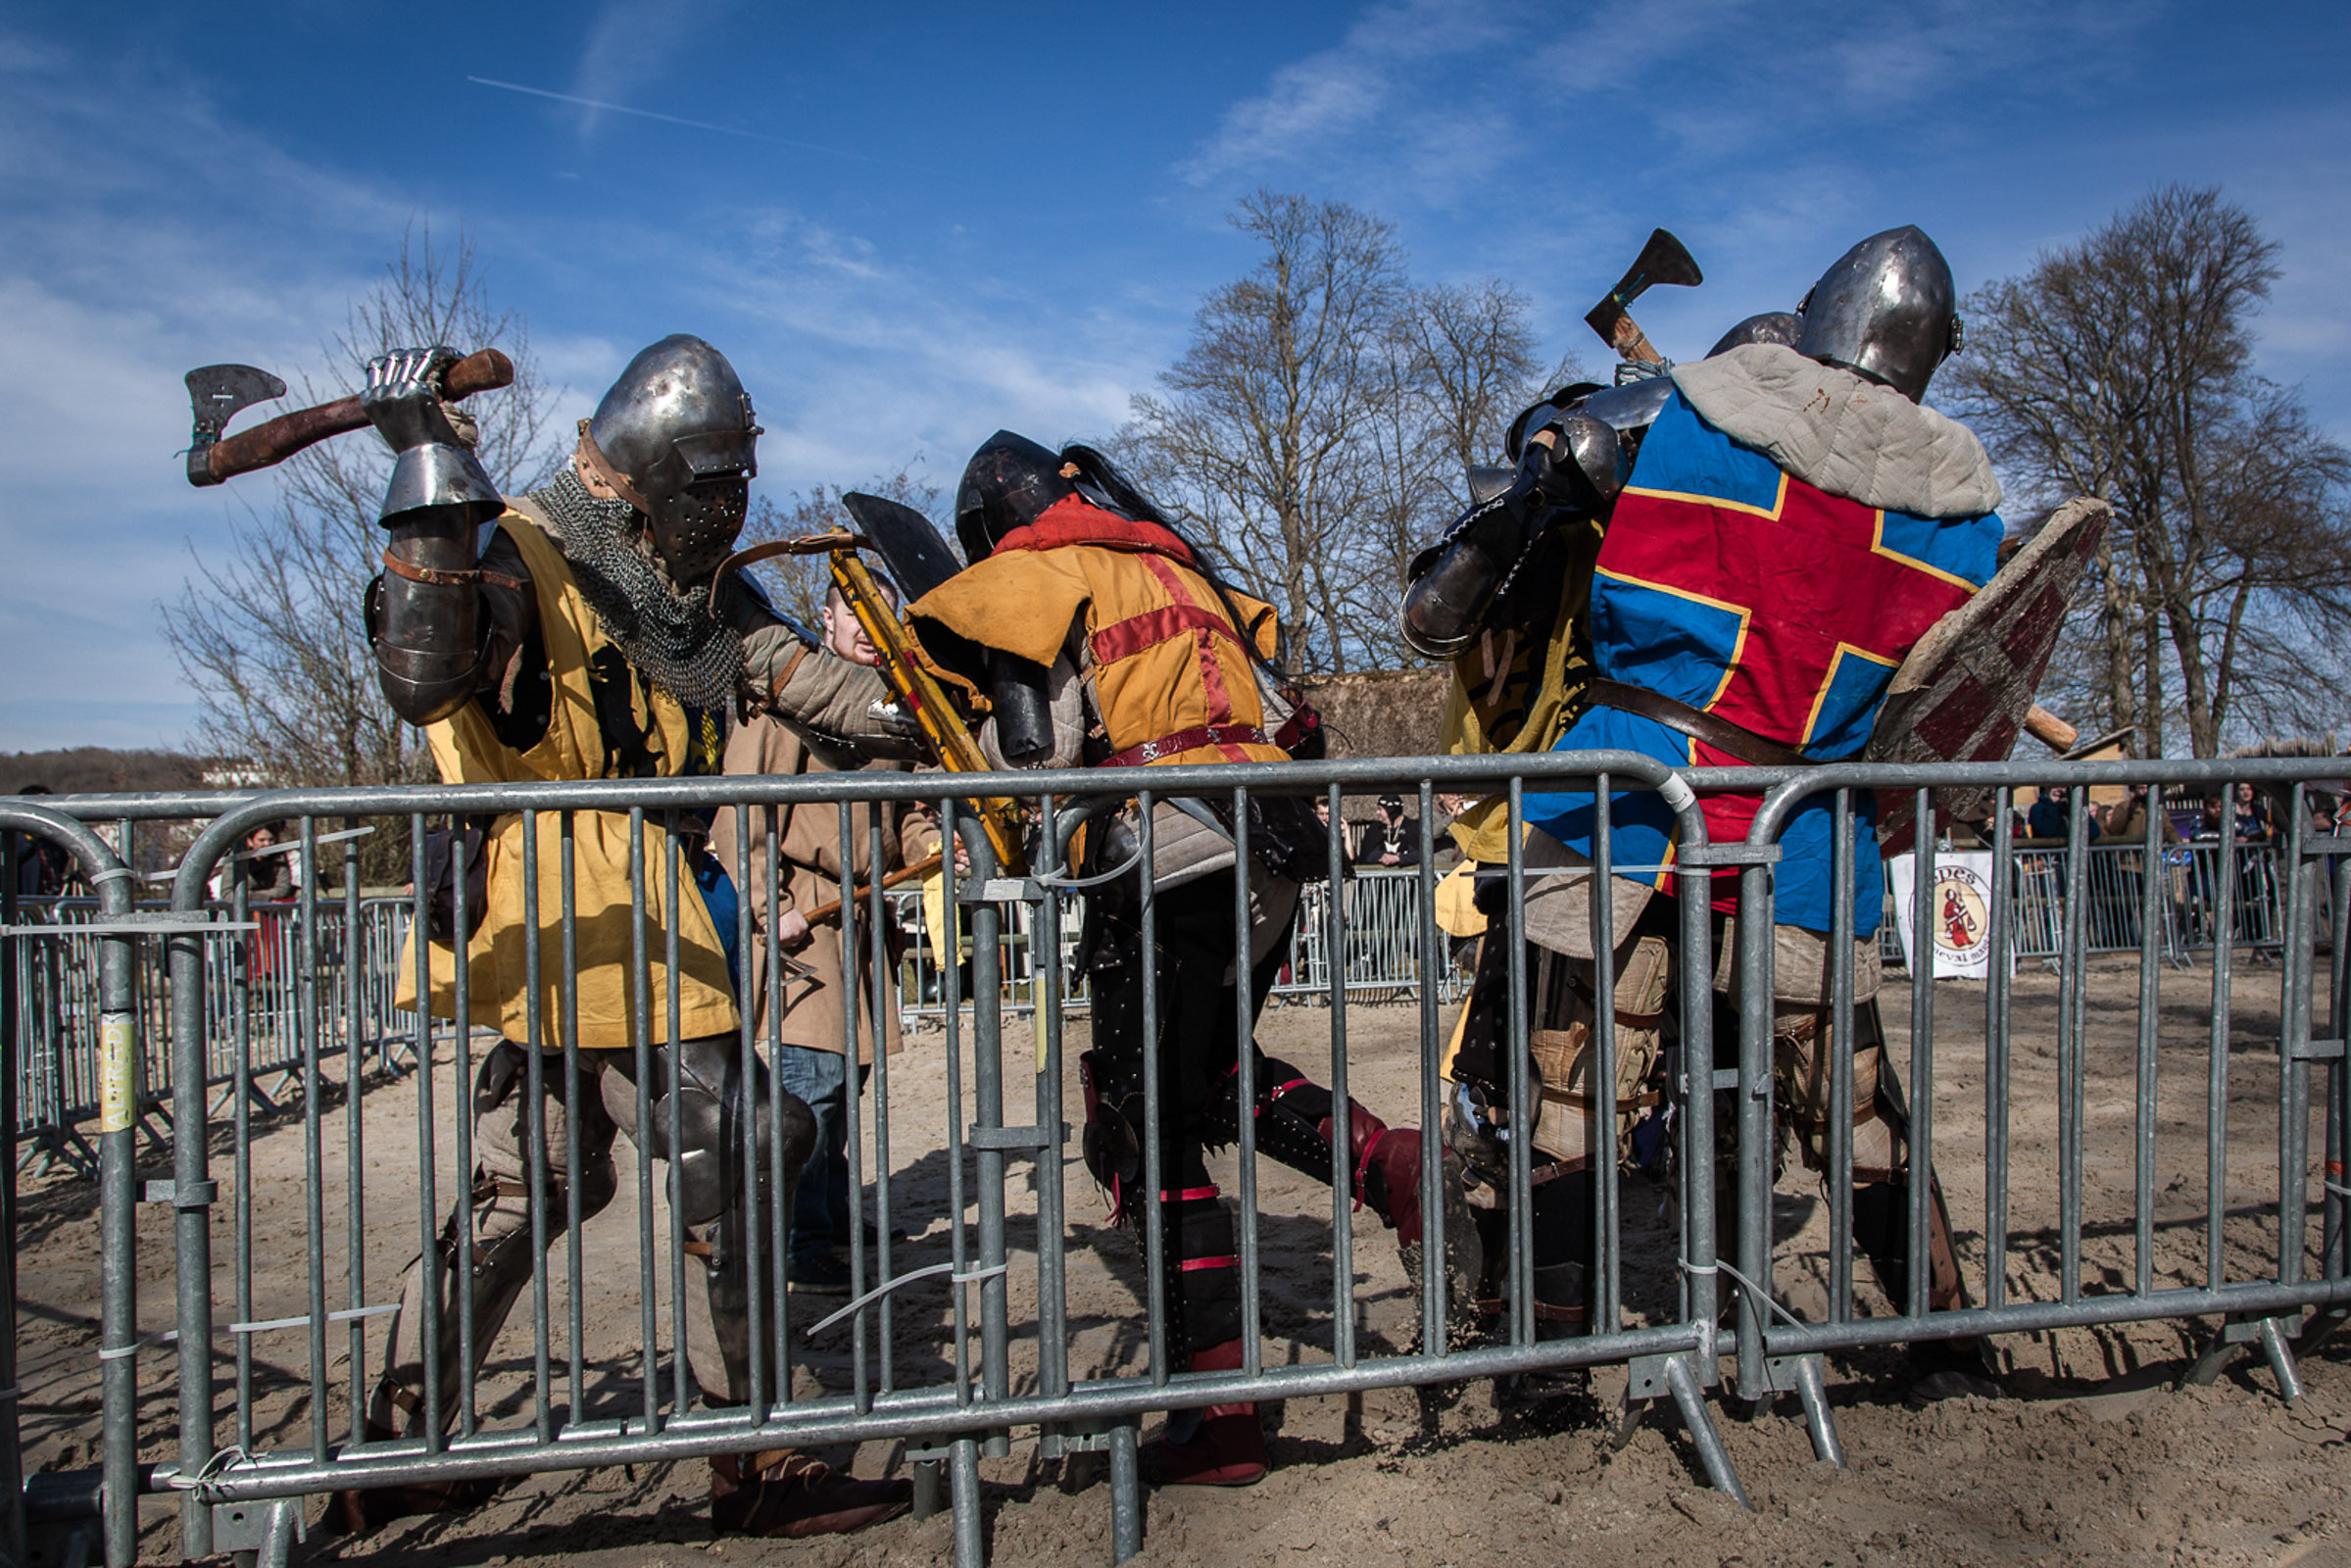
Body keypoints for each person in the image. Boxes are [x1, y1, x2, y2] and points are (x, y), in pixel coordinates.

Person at [340, 338, 919, 1538]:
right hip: (570, 893)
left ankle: (398, 1442)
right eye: (711, 482)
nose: (731, 506)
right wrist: (428, 466)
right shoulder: (513, 548)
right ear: (650, 474)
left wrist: (925, 710)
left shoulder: (689, 592)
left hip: (636, 889)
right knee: (759, 1129)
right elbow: (420, 671)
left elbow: (810, 687)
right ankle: (750, 1457)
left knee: (537, 1180)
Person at [1407, 235, 2002, 1367]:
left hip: (1629, 800)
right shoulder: (1960, 507)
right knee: (1853, 1105)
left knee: (1568, 1094)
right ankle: (1943, 1339)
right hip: (1806, 831)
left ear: (1819, 306)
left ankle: (1550, 1370)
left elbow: (1438, 612)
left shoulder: (1675, 414)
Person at [903, 431, 1475, 1487]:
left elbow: (1038, 752)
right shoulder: (1181, 569)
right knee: (1203, 1079)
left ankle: (1217, 1419)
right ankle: (1385, 1161)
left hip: (1167, 850)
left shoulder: (1039, 579)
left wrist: (939, 731)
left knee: (1142, 1124)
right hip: (1271, 843)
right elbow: (1281, 720)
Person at [708, 576, 940, 1298]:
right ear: (827, 617)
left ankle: (831, 1219)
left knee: (848, 1079)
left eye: (880, 615)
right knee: (810, 1087)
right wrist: (765, 904)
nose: (867, 629)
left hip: (862, 920)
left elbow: (906, 816)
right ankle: (800, 1241)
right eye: (852, 613)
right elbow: (739, 815)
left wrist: (936, 843)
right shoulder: (780, 700)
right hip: (800, 918)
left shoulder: (894, 710)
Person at [1353, 795, 1421, 868]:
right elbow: (1367, 855)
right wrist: (1383, 856)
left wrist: (1399, 858)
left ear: (1390, 810)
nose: (1377, 812)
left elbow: (1420, 854)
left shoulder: (1411, 827)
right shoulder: (1376, 829)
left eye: (1380, 809)